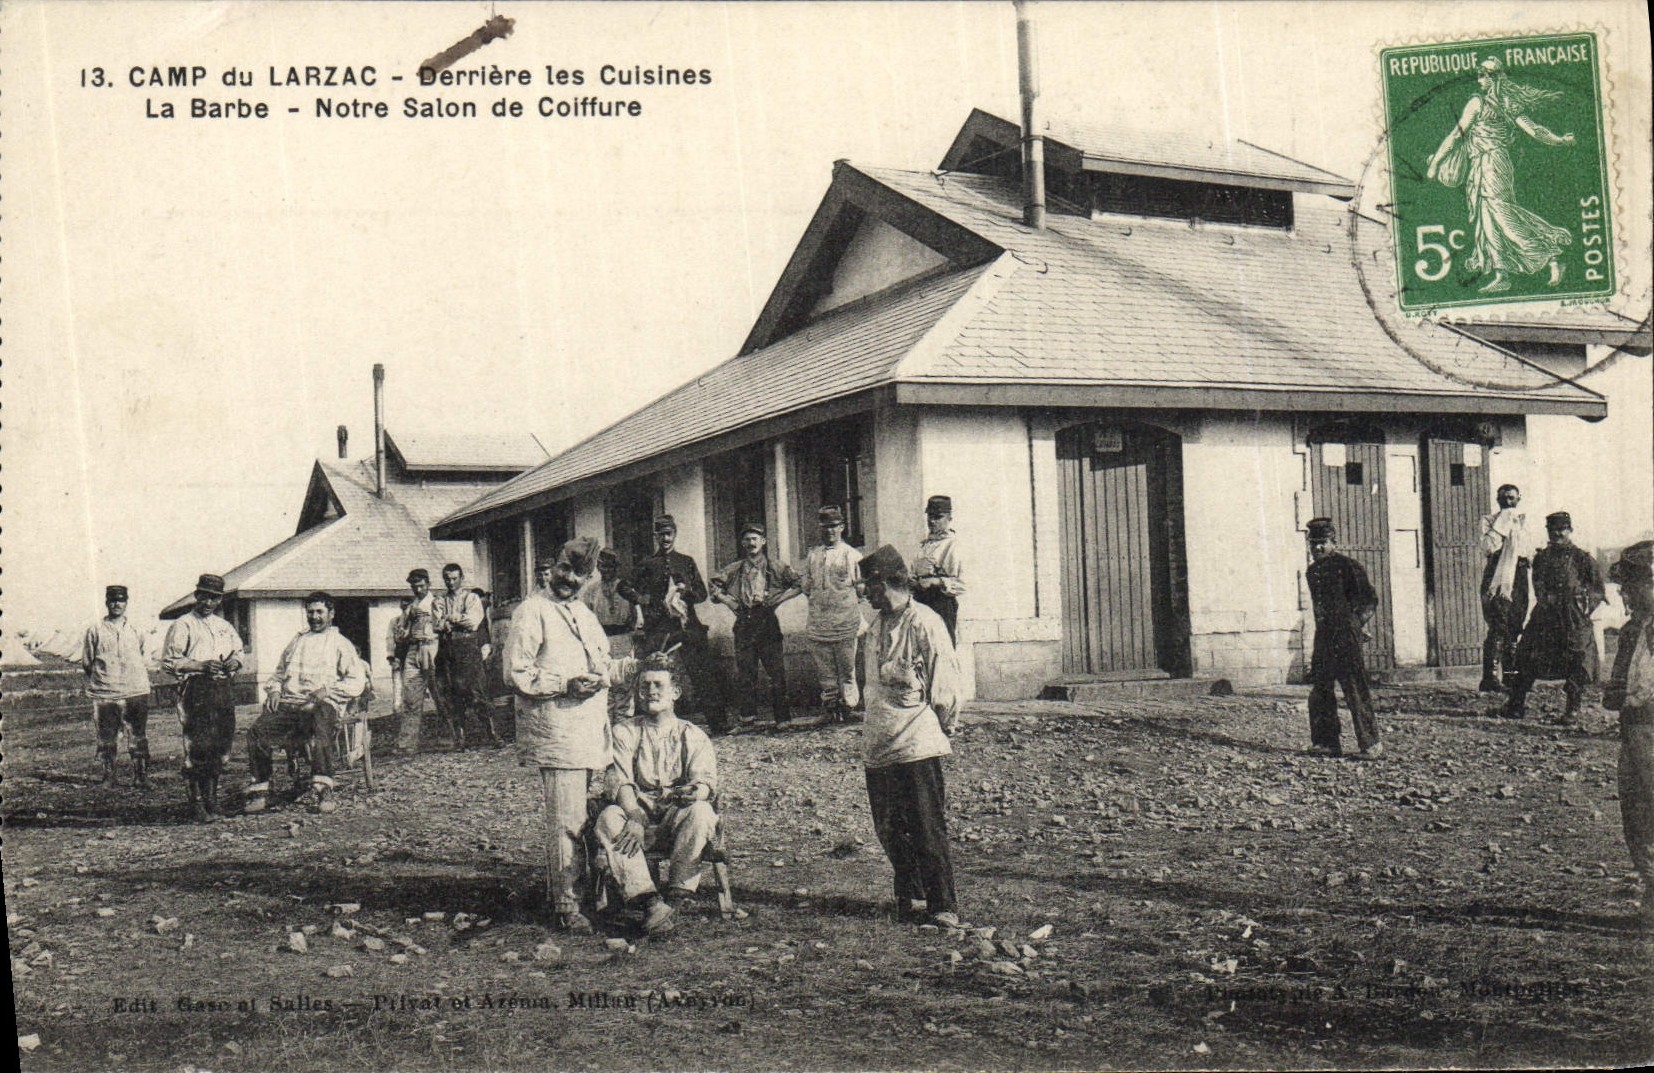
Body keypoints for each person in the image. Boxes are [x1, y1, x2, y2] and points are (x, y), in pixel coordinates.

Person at [505, 538, 617, 935]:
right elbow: (516, 673)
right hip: (556, 731)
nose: (570, 579)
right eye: (565, 569)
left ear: (589, 578)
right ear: (553, 567)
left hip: (588, 731)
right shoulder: (531, 611)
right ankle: (566, 904)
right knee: (566, 821)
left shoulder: (584, 613)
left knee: (585, 819)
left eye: (580, 574)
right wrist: (564, 684)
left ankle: (589, 895)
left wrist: (632, 668)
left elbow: (602, 664)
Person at [858, 544, 963, 926]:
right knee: (889, 827)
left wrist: (941, 727)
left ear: (886, 583)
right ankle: (912, 895)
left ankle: (942, 904)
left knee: (925, 826)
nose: (865, 594)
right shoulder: (874, 628)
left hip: (917, 743)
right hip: (879, 745)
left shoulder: (925, 623)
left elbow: (945, 687)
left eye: (869, 586)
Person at [591, 654, 720, 935]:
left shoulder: (693, 735)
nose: (651, 691)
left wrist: (694, 792)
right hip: (636, 818)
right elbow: (620, 782)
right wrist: (635, 817)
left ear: (675, 692)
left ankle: (677, 896)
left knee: (702, 811)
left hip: (676, 823)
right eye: (645, 685)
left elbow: (706, 781)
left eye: (658, 685)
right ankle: (649, 901)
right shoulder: (624, 732)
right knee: (609, 817)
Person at [1426, 56, 1576, 294]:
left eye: (1483, 75)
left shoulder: (1481, 103)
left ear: (1493, 78)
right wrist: (1560, 140)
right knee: (1487, 220)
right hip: (1484, 164)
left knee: (1502, 214)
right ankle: (1502, 274)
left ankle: (1551, 255)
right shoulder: (1504, 102)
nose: (1479, 80)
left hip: (1492, 164)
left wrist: (1435, 163)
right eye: (1479, 75)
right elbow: (1534, 130)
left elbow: (1456, 135)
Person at [243, 592, 366, 815]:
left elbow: (356, 681)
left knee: (319, 728)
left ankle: (324, 789)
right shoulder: (297, 641)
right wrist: (275, 690)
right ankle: (260, 790)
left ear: (331, 614)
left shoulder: (340, 643)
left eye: (320, 612)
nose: (315, 617)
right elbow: (279, 674)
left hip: (323, 704)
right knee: (257, 732)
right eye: (310, 612)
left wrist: (327, 691)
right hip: (292, 704)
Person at [618, 516, 722, 731]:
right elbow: (623, 586)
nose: (665, 539)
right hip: (659, 629)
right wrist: (643, 599)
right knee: (654, 673)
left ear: (675, 534)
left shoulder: (686, 561)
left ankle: (718, 723)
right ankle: (652, 724)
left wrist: (686, 591)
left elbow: (702, 593)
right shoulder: (647, 564)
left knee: (702, 673)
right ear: (655, 536)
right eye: (661, 535)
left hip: (687, 626)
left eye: (669, 534)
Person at [1502, 511, 1606, 722]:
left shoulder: (1582, 558)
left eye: (1561, 529)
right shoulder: (1542, 558)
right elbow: (1537, 582)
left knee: (1578, 658)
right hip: (1545, 616)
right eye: (1552, 530)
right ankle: (1515, 704)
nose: (1557, 534)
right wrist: (1544, 598)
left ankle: (1572, 710)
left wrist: (1583, 607)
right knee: (1527, 654)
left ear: (1570, 530)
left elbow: (1597, 590)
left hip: (1573, 618)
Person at [161, 573, 245, 823]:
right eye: (205, 597)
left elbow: (239, 651)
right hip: (196, 690)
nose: (209, 603)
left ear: (220, 600)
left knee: (220, 745)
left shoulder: (224, 626)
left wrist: (234, 662)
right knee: (198, 746)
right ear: (196, 596)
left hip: (222, 689)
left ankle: (212, 800)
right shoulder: (184, 624)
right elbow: (169, 662)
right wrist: (200, 665)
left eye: (214, 598)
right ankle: (196, 803)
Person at [1602, 541, 1654, 926]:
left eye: (1634, 586)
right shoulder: (1632, 630)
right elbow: (1615, 692)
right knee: (1637, 814)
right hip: (1635, 731)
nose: (1626, 594)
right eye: (1626, 587)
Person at [1303, 518, 1382, 759]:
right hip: (1324, 636)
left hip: (1346, 635)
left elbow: (1369, 600)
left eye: (1323, 542)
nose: (1318, 547)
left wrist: (1356, 624)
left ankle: (1371, 745)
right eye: (1313, 543)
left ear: (1333, 543)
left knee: (1354, 688)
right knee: (1321, 688)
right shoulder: (1312, 572)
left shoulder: (1348, 566)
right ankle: (1326, 743)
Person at [710, 522, 801, 730]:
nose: (751, 543)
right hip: (744, 623)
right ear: (742, 543)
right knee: (745, 674)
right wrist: (730, 602)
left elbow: (799, 584)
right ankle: (747, 719)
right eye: (747, 539)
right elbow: (713, 587)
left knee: (776, 673)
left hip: (767, 622)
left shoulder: (776, 567)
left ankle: (783, 719)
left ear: (763, 542)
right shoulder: (734, 569)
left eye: (755, 539)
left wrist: (777, 599)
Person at [81, 584, 153, 788]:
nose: (117, 604)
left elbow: (144, 657)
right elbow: (87, 662)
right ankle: (109, 776)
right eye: (113, 600)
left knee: (138, 735)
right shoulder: (95, 630)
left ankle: (141, 776)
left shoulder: (137, 629)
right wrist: (105, 679)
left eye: (121, 600)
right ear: (107, 603)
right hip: (106, 692)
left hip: (135, 690)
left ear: (126, 603)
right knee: (107, 737)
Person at [801, 505, 864, 724]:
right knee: (825, 670)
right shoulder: (813, 556)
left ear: (842, 527)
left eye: (834, 526)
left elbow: (861, 589)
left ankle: (848, 708)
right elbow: (806, 586)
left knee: (847, 670)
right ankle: (830, 710)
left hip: (845, 621)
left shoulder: (852, 555)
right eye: (825, 527)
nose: (829, 531)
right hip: (820, 622)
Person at [437, 563, 497, 747]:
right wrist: (453, 620)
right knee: (453, 694)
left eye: (454, 578)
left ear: (461, 578)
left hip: (468, 647)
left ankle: (492, 734)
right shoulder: (439, 601)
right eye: (447, 579)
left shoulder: (471, 598)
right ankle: (460, 738)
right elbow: (437, 625)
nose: (451, 582)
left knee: (478, 692)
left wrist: (450, 618)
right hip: (447, 648)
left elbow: (473, 622)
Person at [1479, 484, 1532, 692]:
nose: (1508, 502)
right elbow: (1489, 547)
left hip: (1519, 576)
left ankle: (1511, 677)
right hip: (1497, 577)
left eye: (1511, 498)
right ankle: (1490, 678)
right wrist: (1504, 520)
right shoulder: (1489, 521)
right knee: (1498, 624)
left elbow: (1529, 550)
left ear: (1519, 499)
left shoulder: (1524, 522)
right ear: (1497, 500)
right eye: (1503, 498)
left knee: (1515, 624)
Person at [393, 567, 446, 751]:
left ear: (428, 584)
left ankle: (448, 738)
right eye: (414, 586)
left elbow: (444, 626)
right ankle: (407, 744)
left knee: (440, 695)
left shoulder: (438, 602)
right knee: (410, 699)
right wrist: (406, 626)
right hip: (413, 649)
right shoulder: (410, 607)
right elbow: (400, 635)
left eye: (421, 586)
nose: (418, 589)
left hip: (433, 647)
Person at [584, 546, 639, 721]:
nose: (606, 570)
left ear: (616, 567)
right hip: (601, 640)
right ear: (598, 567)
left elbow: (636, 613)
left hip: (623, 638)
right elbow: (586, 619)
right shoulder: (591, 591)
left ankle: (624, 723)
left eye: (610, 566)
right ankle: (605, 725)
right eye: (603, 566)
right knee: (604, 683)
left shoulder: (626, 588)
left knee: (624, 681)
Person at [912, 495, 966, 645]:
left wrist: (935, 581)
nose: (932, 521)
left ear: (949, 518)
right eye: (930, 516)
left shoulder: (952, 545)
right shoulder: (926, 545)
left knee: (942, 645)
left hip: (940, 603)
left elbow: (962, 584)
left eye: (937, 517)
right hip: (921, 601)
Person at [386, 596, 413, 718]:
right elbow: (390, 638)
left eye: (408, 606)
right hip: (399, 653)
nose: (405, 608)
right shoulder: (395, 621)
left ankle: (410, 708)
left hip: (412, 653)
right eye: (403, 606)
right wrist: (391, 655)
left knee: (411, 681)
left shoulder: (415, 621)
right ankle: (397, 706)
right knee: (397, 681)